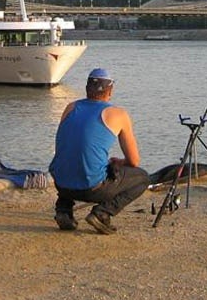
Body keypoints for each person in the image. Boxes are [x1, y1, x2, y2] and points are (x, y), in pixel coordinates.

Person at [49, 68, 150, 234]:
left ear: (87, 88)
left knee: (71, 158)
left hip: (60, 183)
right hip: (91, 189)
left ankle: (64, 209)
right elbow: (134, 161)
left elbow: (68, 147)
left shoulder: (70, 107)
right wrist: (120, 162)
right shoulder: (118, 114)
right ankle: (102, 213)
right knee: (142, 178)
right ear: (110, 91)